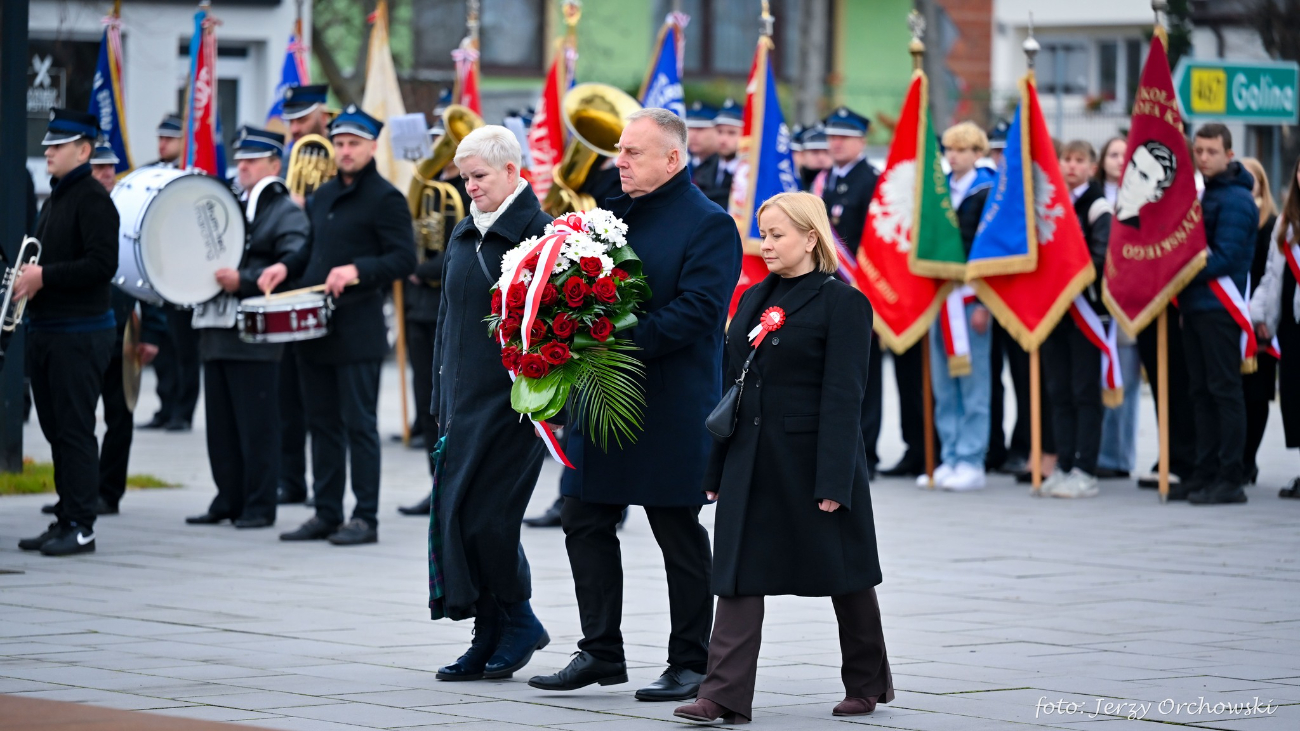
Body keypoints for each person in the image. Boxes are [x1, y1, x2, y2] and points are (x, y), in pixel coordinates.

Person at [529, 108, 741, 701]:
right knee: (582, 514)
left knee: (675, 527)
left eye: (632, 153)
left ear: (672, 159)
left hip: (670, 404)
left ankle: (692, 661)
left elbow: (700, 311)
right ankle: (600, 651)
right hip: (603, 398)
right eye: (619, 151)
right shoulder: (610, 217)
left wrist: (612, 337)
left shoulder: (710, 224)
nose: (618, 161)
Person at [674, 192, 893, 724]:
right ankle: (722, 695)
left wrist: (834, 482)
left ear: (811, 238)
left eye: (777, 235)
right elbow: (733, 389)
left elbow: (846, 396)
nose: (766, 244)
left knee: (847, 574)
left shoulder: (843, 302)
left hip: (815, 460)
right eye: (763, 234)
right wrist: (716, 469)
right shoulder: (751, 299)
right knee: (738, 574)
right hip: (752, 460)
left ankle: (866, 683)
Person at [428, 125, 552, 681]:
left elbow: (554, 330)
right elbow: (448, 322)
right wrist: (439, 393)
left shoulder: (540, 237)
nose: (470, 186)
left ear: (511, 172)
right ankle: (489, 631)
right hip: (463, 402)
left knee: (488, 520)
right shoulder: (463, 232)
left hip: (513, 405)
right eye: (465, 177)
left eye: (479, 176)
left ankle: (518, 621)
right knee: (460, 519)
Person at [259, 105, 417, 544]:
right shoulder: (323, 194)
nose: (345, 151)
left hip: (359, 330)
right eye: (340, 143)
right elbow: (311, 249)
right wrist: (283, 268)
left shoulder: (386, 198)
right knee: (322, 422)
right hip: (315, 329)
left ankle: (365, 516)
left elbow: (404, 259)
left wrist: (357, 269)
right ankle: (326, 512)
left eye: (353, 144)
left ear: (371, 147)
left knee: (359, 425)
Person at [186, 127, 309, 529]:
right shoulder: (232, 202)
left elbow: (294, 262)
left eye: (251, 160)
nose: (242, 166)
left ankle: (258, 504)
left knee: (257, 425)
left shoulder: (283, 209)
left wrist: (247, 280)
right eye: (239, 159)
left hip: (256, 335)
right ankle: (228, 497)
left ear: (274, 164)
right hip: (217, 328)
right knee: (220, 426)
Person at [39, 141, 165, 520]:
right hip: (85, 326)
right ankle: (77, 496)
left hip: (123, 327)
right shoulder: (75, 203)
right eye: (99, 167)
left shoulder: (133, 211)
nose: (106, 173)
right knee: (74, 418)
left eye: (111, 168)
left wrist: (153, 333)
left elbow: (151, 273)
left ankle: (108, 493)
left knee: (119, 414)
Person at [16, 109, 119, 556]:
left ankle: (82, 526)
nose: (49, 152)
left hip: (79, 332)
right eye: (48, 146)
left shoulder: (93, 199)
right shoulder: (56, 196)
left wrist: (44, 278)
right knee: (57, 429)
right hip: (50, 329)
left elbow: (102, 265)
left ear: (84, 149)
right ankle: (65, 515)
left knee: (74, 429)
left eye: (58, 146)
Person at [1176, 124, 1256, 505]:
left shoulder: (1237, 200)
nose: (1203, 157)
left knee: (1224, 392)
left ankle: (1230, 478)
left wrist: (1176, 268)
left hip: (1219, 310)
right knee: (1200, 392)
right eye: (1199, 150)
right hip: (1196, 307)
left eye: (1211, 151)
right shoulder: (1205, 193)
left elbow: (1224, 257)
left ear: (1229, 154)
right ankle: (1203, 472)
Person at [397, 111, 469, 518]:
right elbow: (410, 237)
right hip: (419, 309)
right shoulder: (430, 189)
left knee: (449, 404)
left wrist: (420, 270)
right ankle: (434, 482)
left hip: (445, 305)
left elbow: (455, 253)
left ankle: (454, 484)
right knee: (427, 401)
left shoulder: (465, 192)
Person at [1037, 140, 1113, 499]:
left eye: (1079, 161)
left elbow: (1101, 258)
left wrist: (1066, 277)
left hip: (1085, 312)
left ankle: (1086, 467)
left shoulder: (1098, 208)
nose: (1070, 166)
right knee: (1059, 391)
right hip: (1055, 311)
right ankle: (1064, 464)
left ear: (1092, 167)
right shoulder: (1052, 204)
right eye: (1066, 159)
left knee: (1085, 392)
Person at [923, 122, 995, 491]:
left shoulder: (988, 190)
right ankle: (949, 455)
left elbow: (990, 249)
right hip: (939, 297)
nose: (953, 155)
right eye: (949, 148)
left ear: (977, 153)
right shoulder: (938, 189)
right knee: (943, 383)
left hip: (970, 298)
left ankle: (971, 458)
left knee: (974, 382)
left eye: (962, 149)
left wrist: (985, 301)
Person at [819, 107, 885, 478]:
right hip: (829, 288)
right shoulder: (822, 180)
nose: (836, 143)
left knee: (864, 374)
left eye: (844, 136)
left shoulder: (871, 180)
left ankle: (867, 452)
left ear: (862, 140)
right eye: (832, 135)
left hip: (860, 287)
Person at [277, 83, 332, 506]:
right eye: (291, 120)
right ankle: (290, 478)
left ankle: (324, 486)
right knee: (287, 395)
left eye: (301, 119)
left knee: (321, 402)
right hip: (289, 279)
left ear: (322, 115)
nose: (295, 128)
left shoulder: (336, 155)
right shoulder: (287, 156)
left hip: (321, 282)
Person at [1250, 154, 1300, 498]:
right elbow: (1271, 275)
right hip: (1289, 325)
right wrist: (1261, 315)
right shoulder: (1287, 222)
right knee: (1295, 396)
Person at [1094, 137, 1142, 480]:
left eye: (1126, 155)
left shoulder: (1143, 198)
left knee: (1123, 380)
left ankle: (1119, 457)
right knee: (1095, 381)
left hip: (1128, 301)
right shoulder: (1094, 198)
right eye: (1113, 154)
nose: (1119, 160)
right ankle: (1097, 451)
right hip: (1096, 301)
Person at [138, 113, 189, 432]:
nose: (162, 144)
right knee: (160, 344)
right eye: (160, 138)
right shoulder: (147, 174)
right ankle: (165, 405)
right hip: (156, 268)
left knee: (184, 345)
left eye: (169, 138)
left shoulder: (192, 174)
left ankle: (182, 410)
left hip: (184, 271)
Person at [1236, 157, 1278, 486]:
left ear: (1262, 184)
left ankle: (1248, 459)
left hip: (1260, 321)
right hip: (1228, 314)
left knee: (1257, 392)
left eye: (1252, 178)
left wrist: (1261, 312)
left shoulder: (1273, 224)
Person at [694, 98, 741, 209]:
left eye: (731, 133)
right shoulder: (704, 168)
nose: (723, 139)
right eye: (720, 132)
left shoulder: (751, 174)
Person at [685, 101, 717, 170]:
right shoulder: (684, 163)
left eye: (700, 129)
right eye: (689, 128)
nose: (692, 135)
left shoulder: (723, 167)